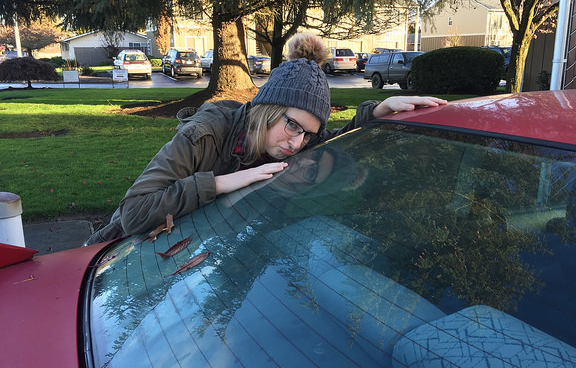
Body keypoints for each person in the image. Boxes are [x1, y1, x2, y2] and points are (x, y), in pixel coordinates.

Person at [85, 34, 446, 244]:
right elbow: (133, 213)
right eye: (292, 125)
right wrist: (220, 183)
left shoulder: (292, 140)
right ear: (267, 109)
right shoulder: (206, 134)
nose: (297, 144)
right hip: (115, 252)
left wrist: (378, 111)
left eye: (307, 133)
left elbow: (333, 140)